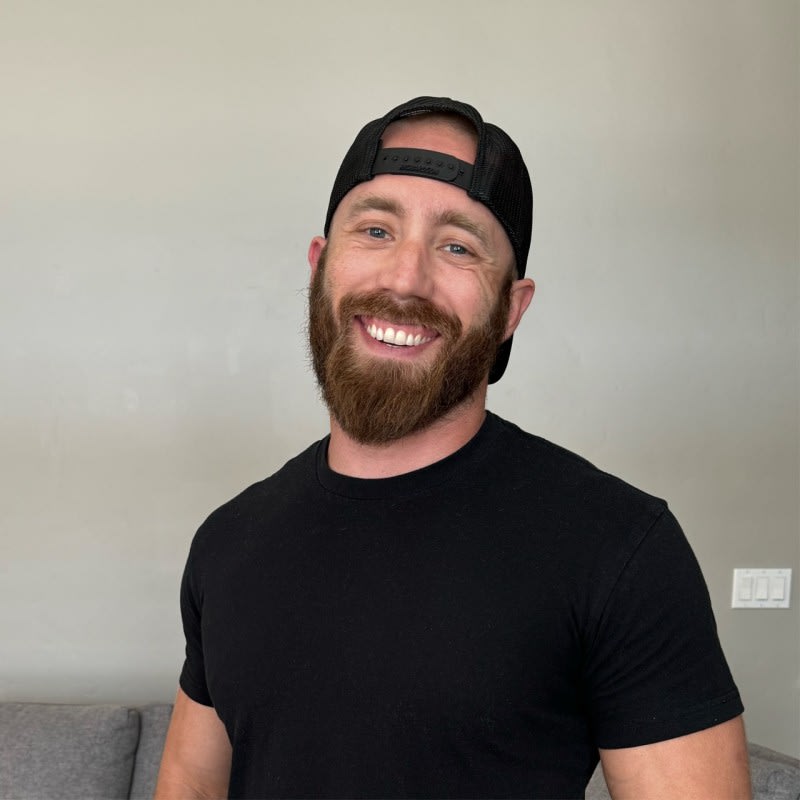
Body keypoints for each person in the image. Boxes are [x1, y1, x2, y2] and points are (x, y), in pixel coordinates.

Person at [155, 96, 750, 799]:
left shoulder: (619, 549)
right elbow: (193, 782)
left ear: (510, 309)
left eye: (458, 246)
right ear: (319, 266)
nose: (405, 278)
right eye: (375, 230)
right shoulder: (229, 541)